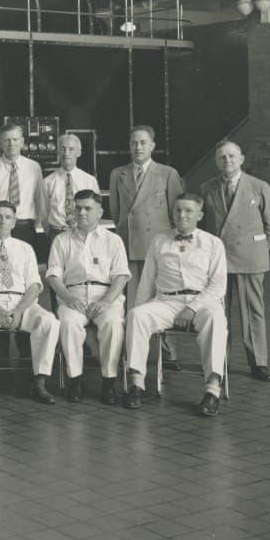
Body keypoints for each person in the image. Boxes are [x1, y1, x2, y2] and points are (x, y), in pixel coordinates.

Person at [124, 194, 229, 417]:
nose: (182, 215)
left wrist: (191, 308)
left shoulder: (213, 243)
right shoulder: (159, 241)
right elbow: (146, 281)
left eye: (189, 211)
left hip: (202, 303)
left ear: (199, 215)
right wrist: (139, 306)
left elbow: (219, 285)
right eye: (178, 210)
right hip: (166, 301)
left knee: (216, 318)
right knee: (136, 315)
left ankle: (212, 391)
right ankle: (136, 384)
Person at [198, 140, 270, 382]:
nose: (228, 161)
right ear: (216, 162)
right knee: (218, 313)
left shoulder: (259, 187)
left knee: (253, 312)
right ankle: (219, 362)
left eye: (232, 156)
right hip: (219, 262)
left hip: (249, 260)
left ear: (241, 159)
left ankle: (259, 363)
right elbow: (202, 227)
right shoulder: (207, 188)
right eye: (222, 157)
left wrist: (259, 252)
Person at [106, 124, 184, 370]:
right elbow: (117, 213)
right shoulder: (118, 174)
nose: (138, 147)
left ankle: (167, 351)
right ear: (129, 146)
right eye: (133, 143)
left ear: (152, 146)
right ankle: (130, 350)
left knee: (162, 297)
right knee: (131, 301)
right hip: (129, 246)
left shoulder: (168, 174)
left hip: (158, 248)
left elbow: (176, 214)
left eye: (143, 142)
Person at [0, 201, 61, 405]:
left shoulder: (25, 248)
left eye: (8, 217)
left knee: (50, 322)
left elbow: (35, 285)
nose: (3, 221)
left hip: (22, 301)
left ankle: (39, 381)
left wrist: (19, 311)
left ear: (14, 222)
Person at [45, 189, 131, 404]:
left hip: (106, 295)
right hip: (72, 294)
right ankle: (75, 379)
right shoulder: (62, 240)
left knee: (112, 323)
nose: (82, 213)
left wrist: (106, 301)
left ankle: (109, 381)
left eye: (88, 208)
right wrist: (68, 298)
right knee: (68, 323)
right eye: (78, 208)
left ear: (100, 212)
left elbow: (121, 276)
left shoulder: (113, 240)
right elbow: (53, 276)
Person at [0, 122, 45, 257]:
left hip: (25, 226)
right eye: (7, 140)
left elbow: (40, 198)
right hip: (0, 226)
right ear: (1, 143)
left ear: (22, 142)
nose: (11, 144)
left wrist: (39, 224)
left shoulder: (34, 167)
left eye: (15, 140)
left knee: (24, 268)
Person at [36, 133, 99, 241]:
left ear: (78, 152)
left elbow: (96, 210)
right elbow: (43, 213)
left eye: (71, 149)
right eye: (62, 149)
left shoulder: (89, 181)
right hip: (56, 234)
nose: (66, 153)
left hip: (82, 233)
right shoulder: (48, 182)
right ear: (58, 152)